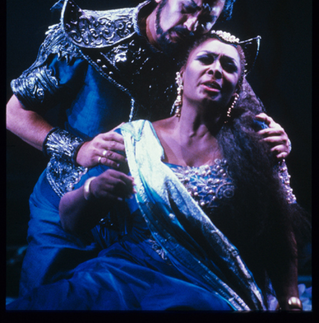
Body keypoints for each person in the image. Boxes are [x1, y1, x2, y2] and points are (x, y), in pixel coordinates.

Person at [6, 0, 292, 296]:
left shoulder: (201, 55)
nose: (192, 25)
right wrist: (79, 149)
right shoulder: (87, 35)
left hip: (145, 221)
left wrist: (275, 137)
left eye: (206, 19)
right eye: (187, 7)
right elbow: (14, 112)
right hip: (65, 202)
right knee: (49, 301)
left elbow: (245, 114)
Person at [6, 31, 309, 311]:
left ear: (237, 88)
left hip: (207, 288)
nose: (215, 69)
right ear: (182, 74)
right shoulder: (136, 138)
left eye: (228, 66)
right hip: (125, 275)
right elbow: (70, 221)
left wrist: (290, 300)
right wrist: (93, 192)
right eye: (205, 59)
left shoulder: (255, 146)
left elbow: (279, 231)